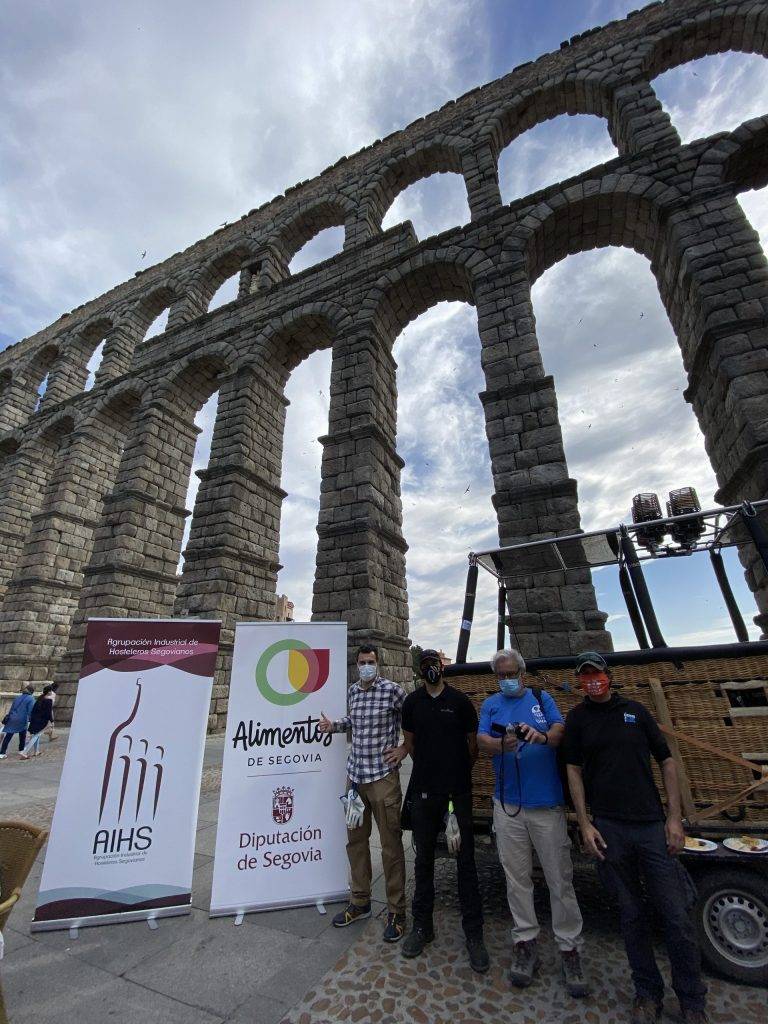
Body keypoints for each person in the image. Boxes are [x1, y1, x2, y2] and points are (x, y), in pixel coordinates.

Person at [563, 651, 708, 1024]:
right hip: (609, 827)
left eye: (597, 673)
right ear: (580, 681)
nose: (592, 680)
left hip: (650, 826)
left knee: (676, 917)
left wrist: (674, 818)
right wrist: (585, 822)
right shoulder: (577, 719)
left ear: (608, 676)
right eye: (585, 676)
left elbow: (667, 760)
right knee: (630, 916)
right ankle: (647, 993)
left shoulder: (636, 712)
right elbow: (574, 770)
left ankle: (692, 1001)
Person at [477, 648, 588, 996]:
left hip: (546, 805)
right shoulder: (491, 704)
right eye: (500, 675)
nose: (506, 679)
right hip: (507, 804)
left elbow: (559, 732)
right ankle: (525, 941)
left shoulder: (543, 698)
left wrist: (540, 736)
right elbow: (482, 740)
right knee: (516, 879)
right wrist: (500, 744)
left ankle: (570, 947)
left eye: (511, 672)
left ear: (522, 673)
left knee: (560, 878)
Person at [399, 649, 489, 973]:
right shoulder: (412, 704)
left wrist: (457, 774)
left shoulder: (461, 702)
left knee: (466, 862)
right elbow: (409, 745)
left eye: (434, 664)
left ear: (442, 668)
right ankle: (422, 927)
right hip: (424, 794)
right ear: (421, 670)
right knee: (423, 861)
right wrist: (427, 771)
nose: (431, 670)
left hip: (457, 794)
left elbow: (473, 747)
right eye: (425, 666)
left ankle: (474, 935)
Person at [319, 644, 408, 943]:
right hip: (355, 780)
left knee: (391, 846)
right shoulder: (353, 691)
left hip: (383, 779)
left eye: (370, 662)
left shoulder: (394, 691)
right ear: (356, 664)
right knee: (355, 843)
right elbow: (353, 723)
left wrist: (405, 748)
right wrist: (334, 726)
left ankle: (397, 910)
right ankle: (360, 901)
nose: (366, 666)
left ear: (378, 664)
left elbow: (411, 723)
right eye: (362, 662)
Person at [0, 685, 35, 758]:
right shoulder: (31, 699)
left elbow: (12, 708)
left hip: (12, 718)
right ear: (32, 692)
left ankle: (2, 753)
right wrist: (32, 720)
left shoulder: (17, 697)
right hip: (22, 719)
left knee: (8, 736)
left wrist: (9, 717)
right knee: (22, 735)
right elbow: (30, 711)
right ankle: (21, 750)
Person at [20, 686, 55, 759]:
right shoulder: (49, 701)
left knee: (36, 735)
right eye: (51, 691)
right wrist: (52, 721)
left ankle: (36, 751)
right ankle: (24, 752)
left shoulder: (39, 699)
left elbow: (33, 711)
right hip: (41, 721)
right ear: (49, 692)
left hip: (34, 720)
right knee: (36, 736)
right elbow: (48, 713)